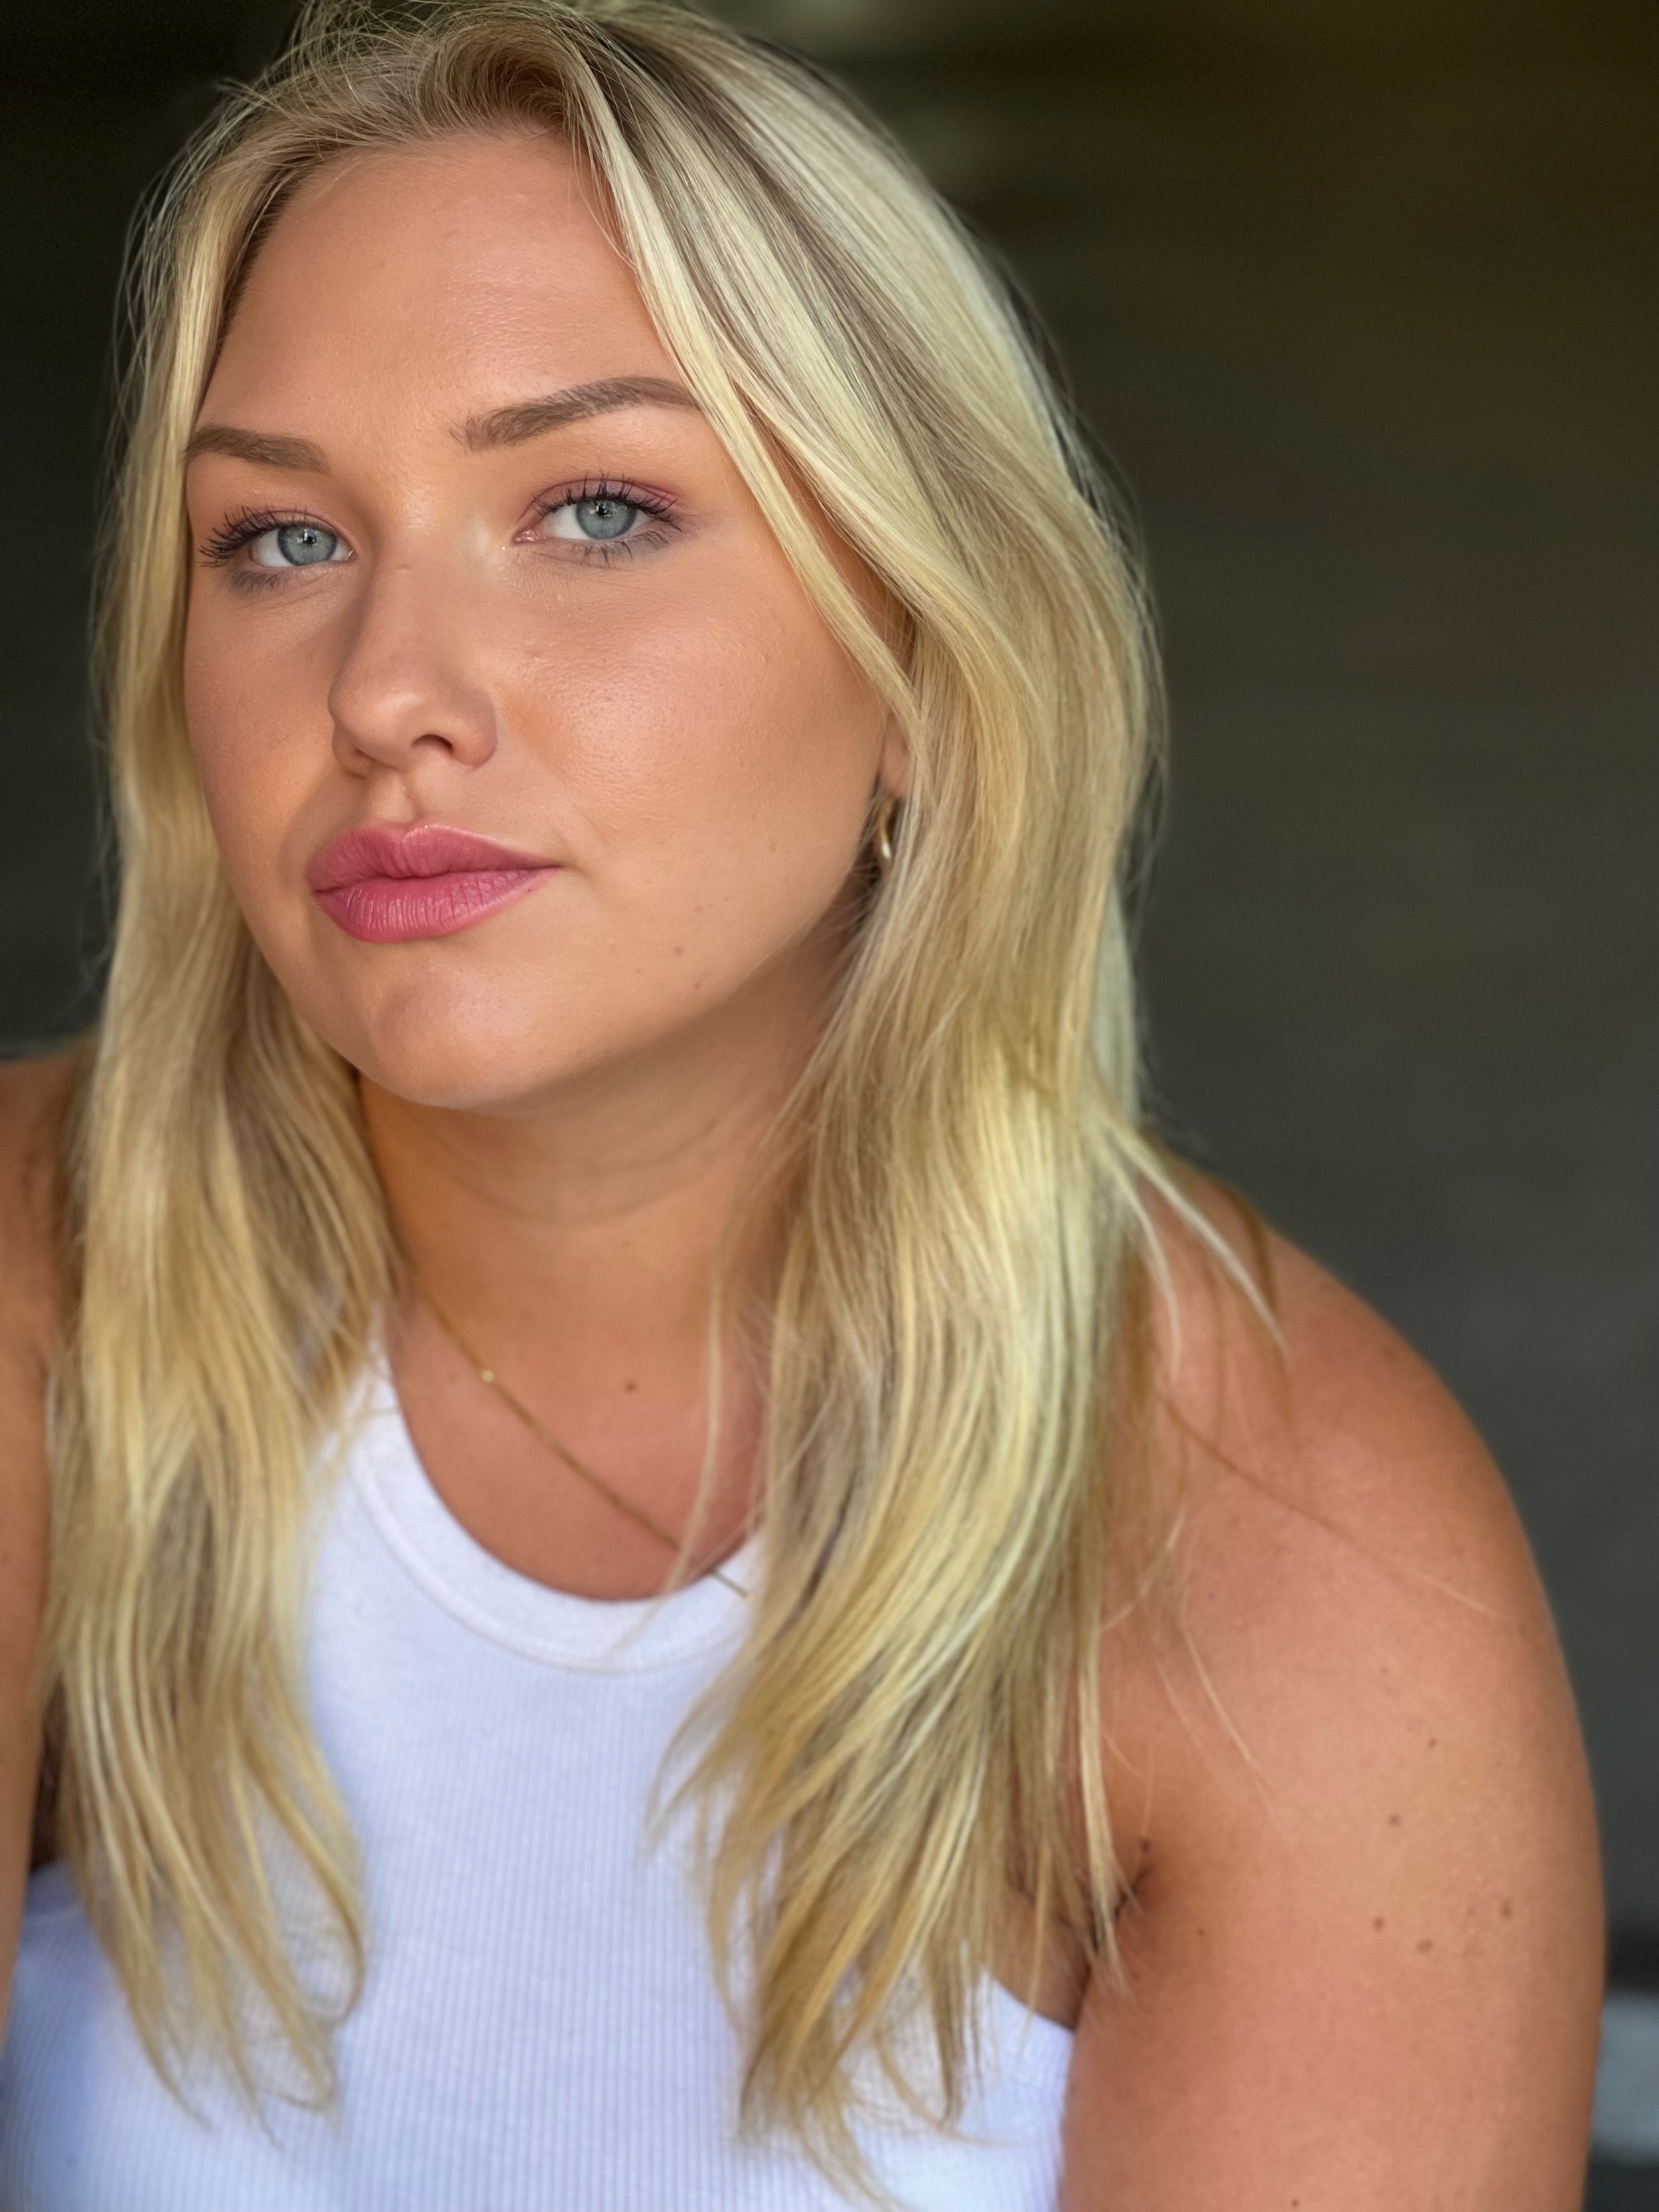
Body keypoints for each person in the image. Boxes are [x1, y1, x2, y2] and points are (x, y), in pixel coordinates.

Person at [0, 1, 1604, 2204]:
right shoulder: (46, 1298)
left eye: (593, 509)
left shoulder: (1280, 1544)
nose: (384, 693)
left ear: (922, 659)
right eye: (279, 540)